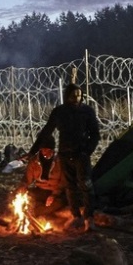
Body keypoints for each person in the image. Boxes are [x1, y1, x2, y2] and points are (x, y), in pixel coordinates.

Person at [28, 83, 101, 230]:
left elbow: (95, 134)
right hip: (65, 154)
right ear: (67, 96)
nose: (76, 98)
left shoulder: (87, 111)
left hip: (81, 154)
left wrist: (87, 151)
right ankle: (76, 216)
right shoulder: (60, 112)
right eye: (73, 95)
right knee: (70, 186)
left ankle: (89, 218)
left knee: (86, 184)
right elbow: (47, 131)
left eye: (79, 95)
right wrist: (33, 151)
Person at [18, 135, 65, 213]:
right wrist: (22, 187)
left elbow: (63, 182)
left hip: (55, 192)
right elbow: (27, 178)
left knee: (58, 203)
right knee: (25, 197)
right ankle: (34, 210)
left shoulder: (59, 161)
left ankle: (38, 212)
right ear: (40, 150)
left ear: (53, 150)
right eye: (44, 150)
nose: (46, 153)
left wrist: (54, 195)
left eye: (49, 150)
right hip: (41, 190)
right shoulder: (34, 161)